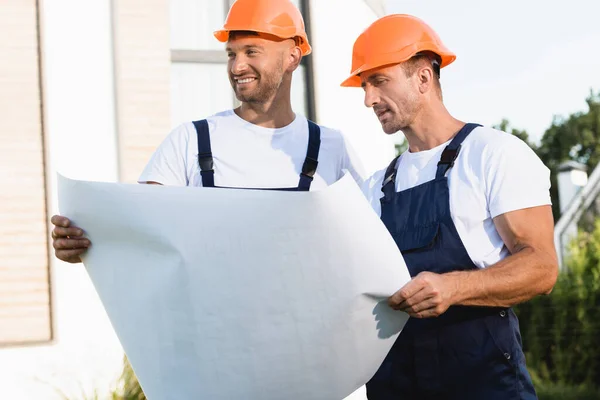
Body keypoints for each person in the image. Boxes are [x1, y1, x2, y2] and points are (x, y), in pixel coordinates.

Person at [341, 14, 558, 400]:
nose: (368, 98)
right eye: (364, 85)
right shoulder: (374, 187)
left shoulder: (493, 155)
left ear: (423, 78)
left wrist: (454, 288)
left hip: (484, 384)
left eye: (379, 81)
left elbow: (541, 267)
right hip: (396, 385)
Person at [51, 0, 365, 263]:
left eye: (251, 52)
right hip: (215, 329)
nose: (236, 67)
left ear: (292, 57)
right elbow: (142, 228)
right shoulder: (191, 141)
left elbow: (366, 242)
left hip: (303, 329)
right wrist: (88, 244)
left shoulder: (330, 147)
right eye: (232, 54)